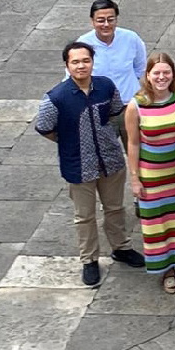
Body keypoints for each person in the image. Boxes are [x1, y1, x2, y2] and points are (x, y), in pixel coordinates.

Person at [34, 41, 144, 287]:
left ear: (93, 62)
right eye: (75, 62)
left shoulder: (105, 86)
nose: (81, 65)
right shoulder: (56, 98)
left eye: (85, 60)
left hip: (110, 159)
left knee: (115, 207)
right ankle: (89, 259)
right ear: (67, 65)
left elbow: (116, 113)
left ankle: (121, 247)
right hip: (78, 164)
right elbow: (44, 127)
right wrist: (69, 141)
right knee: (84, 216)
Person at [125, 52, 175, 293]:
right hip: (153, 177)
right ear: (147, 75)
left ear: (173, 74)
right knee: (158, 224)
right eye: (156, 72)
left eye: (166, 72)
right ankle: (166, 269)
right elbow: (133, 144)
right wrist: (135, 178)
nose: (161, 77)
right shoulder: (136, 106)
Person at [76, 0, 147, 129]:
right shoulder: (83, 44)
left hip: (129, 105)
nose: (106, 24)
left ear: (116, 20)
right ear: (92, 21)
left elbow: (140, 67)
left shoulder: (131, 38)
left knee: (135, 146)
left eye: (111, 19)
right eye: (101, 20)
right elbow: (74, 75)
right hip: (101, 108)